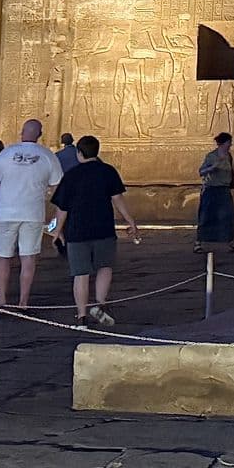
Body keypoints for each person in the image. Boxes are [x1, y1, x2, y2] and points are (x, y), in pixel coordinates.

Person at [53, 135, 140, 326]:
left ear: (79, 153)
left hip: (77, 230)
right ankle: (100, 304)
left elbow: (62, 207)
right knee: (104, 267)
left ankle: (81, 314)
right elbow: (118, 199)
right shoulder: (108, 171)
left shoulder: (72, 175)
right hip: (103, 227)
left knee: (80, 273)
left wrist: (57, 230)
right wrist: (130, 221)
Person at [0, 119, 62, 309]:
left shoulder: (6, 153)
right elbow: (57, 185)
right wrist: (55, 213)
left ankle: (2, 299)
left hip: (5, 212)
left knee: (3, 256)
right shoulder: (47, 156)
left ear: (22, 132)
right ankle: (23, 301)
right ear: (40, 134)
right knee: (28, 257)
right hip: (32, 213)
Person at [195, 132, 234, 254]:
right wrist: (212, 168)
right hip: (211, 189)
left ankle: (230, 241)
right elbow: (201, 171)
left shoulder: (229, 156)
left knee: (229, 215)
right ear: (223, 143)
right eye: (229, 142)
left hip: (224, 189)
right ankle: (198, 242)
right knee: (205, 216)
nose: (230, 144)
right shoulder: (211, 156)